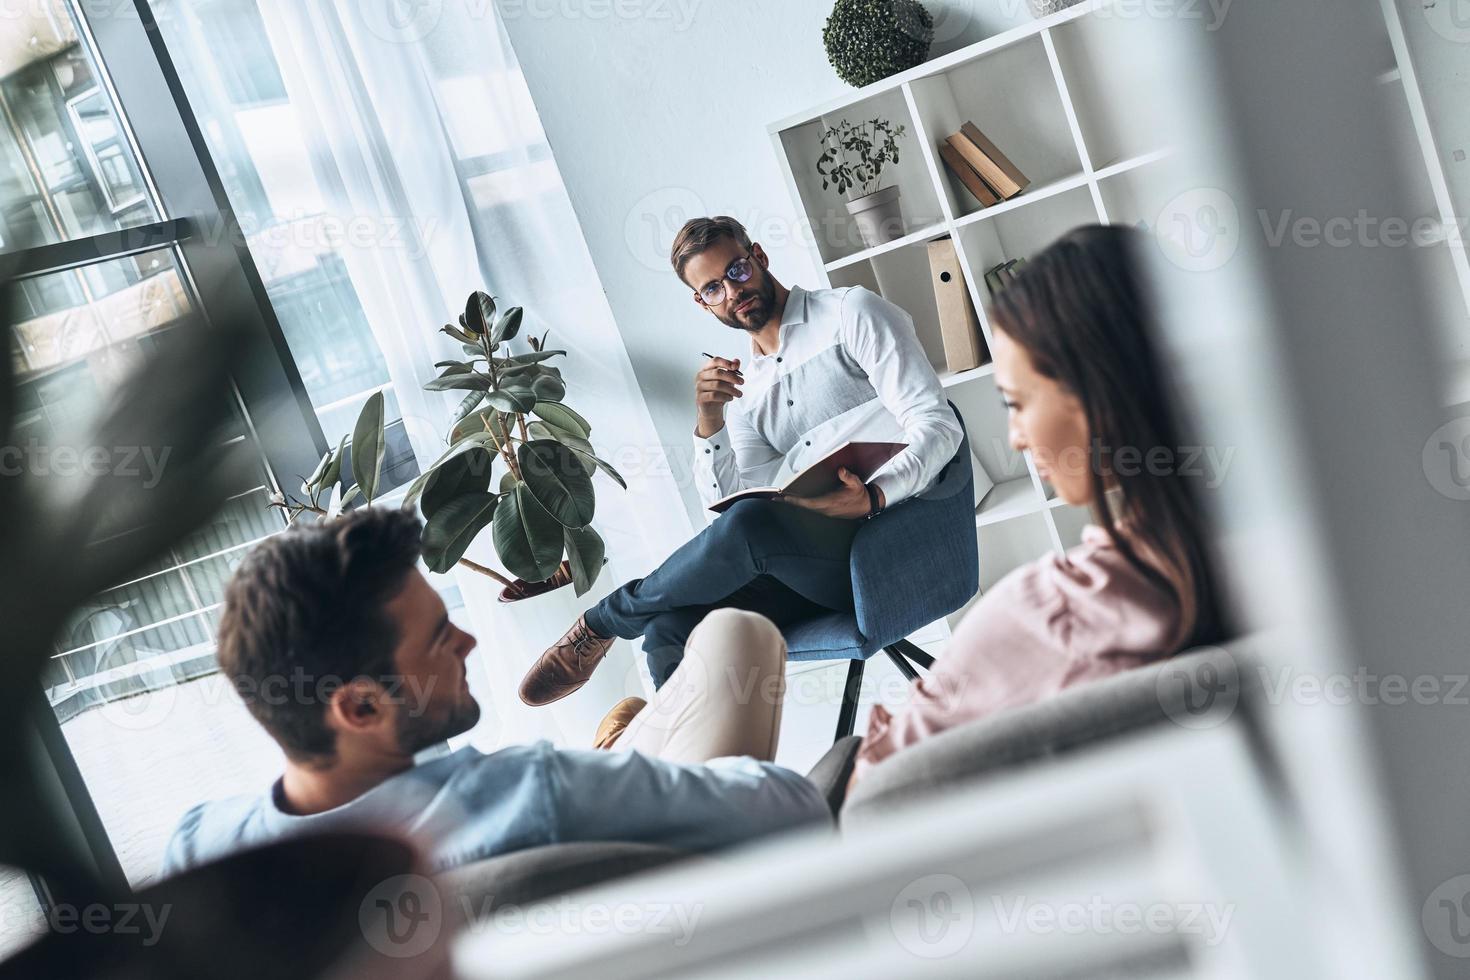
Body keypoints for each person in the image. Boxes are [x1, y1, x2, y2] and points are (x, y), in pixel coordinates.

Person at [161, 508, 830, 876]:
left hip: (601, 806)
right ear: (360, 706)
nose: (469, 645)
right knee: (738, 634)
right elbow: (795, 808)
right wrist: (631, 786)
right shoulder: (530, 792)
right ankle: (629, 752)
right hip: (686, 853)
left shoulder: (197, 851)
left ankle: (626, 748)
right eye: (438, 639)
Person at [519, 215, 963, 706]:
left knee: (753, 524)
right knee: (669, 629)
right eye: (712, 288)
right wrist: (711, 420)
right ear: (701, 302)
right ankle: (702, 774)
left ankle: (606, 619)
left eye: (736, 272)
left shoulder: (850, 313)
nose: (732, 292)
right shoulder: (745, 391)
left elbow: (940, 426)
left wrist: (875, 495)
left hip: (893, 549)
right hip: (806, 569)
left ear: (759, 258)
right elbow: (726, 514)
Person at [852, 225, 1231, 784]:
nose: (1016, 439)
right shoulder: (1281, 548)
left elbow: (878, 781)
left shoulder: (1061, 612)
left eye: (1018, 403)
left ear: (1095, 391)